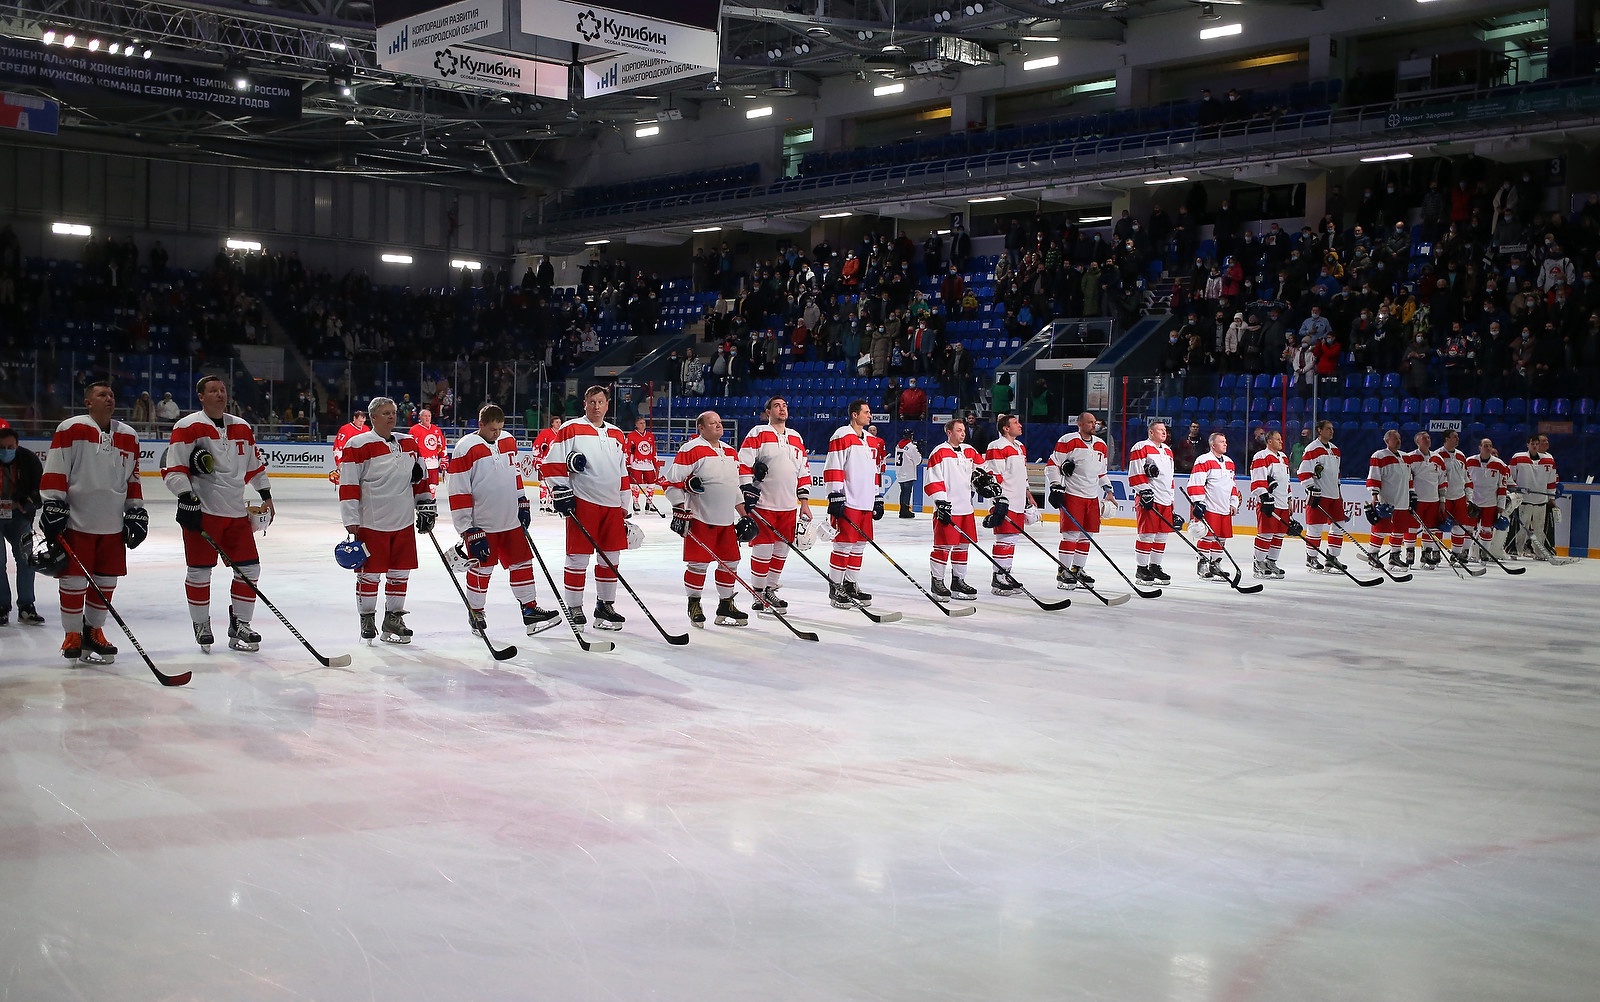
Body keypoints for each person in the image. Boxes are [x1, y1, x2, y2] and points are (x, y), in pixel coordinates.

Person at [164, 374, 273, 652]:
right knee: (200, 572)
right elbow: (174, 469)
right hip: (203, 514)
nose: (219, 394)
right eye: (213, 390)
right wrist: (186, 497)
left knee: (250, 568)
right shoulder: (187, 426)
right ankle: (201, 623)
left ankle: (241, 624)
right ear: (201, 396)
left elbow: (253, 466)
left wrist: (266, 495)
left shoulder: (242, 427)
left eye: (222, 390)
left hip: (236, 514)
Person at [37, 382, 145, 661]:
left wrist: (136, 510)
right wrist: (52, 502)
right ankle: (72, 634)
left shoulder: (129, 435)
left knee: (106, 582)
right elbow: (57, 466)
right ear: (88, 402)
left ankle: (94, 630)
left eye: (111, 394)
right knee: (73, 582)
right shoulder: (71, 428)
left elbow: (133, 477)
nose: (109, 398)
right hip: (76, 521)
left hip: (113, 525)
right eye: (102, 395)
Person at [449, 403, 559, 636]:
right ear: (480, 425)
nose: (496, 434)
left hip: (510, 520)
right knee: (482, 569)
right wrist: (467, 529)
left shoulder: (508, 440)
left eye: (500, 428)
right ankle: (476, 612)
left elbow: (515, 472)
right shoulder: (465, 447)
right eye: (491, 429)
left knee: (522, 563)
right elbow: (458, 489)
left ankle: (530, 610)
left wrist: (522, 500)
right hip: (483, 524)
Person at [337, 397, 432, 644]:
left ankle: (393, 619)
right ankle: (367, 618)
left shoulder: (408, 442)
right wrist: (350, 519)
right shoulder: (357, 444)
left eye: (393, 412)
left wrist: (426, 506)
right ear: (373, 418)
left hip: (403, 520)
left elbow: (421, 477)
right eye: (386, 413)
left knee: (400, 573)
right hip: (372, 521)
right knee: (369, 574)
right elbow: (348, 484)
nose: (392, 416)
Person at [541, 387, 630, 631]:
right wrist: (560, 491)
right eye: (592, 402)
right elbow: (551, 463)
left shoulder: (617, 434)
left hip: (612, 506)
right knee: (578, 558)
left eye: (601, 402)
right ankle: (574, 606)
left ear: (607, 404)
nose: (596, 406)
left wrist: (625, 504)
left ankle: (605, 606)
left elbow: (622, 470)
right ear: (585, 403)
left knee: (611, 558)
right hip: (583, 502)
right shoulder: (571, 428)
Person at [663, 411, 759, 627]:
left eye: (719, 422)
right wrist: (679, 508)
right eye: (712, 423)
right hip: (699, 519)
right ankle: (694, 603)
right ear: (701, 428)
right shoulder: (691, 449)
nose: (718, 425)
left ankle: (726, 604)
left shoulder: (730, 452)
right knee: (698, 565)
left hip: (726, 522)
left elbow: (733, 488)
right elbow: (670, 482)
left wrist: (744, 515)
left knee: (730, 563)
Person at [737, 396, 810, 614]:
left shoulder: (796, 437)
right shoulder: (758, 432)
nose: (782, 409)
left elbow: (803, 470)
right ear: (768, 411)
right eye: (777, 406)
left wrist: (804, 503)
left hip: (788, 505)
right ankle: (758, 593)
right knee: (763, 549)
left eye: (785, 405)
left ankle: (770, 588)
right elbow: (743, 463)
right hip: (764, 504)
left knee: (781, 550)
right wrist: (747, 488)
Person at [823, 400, 883, 608]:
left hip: (865, 502)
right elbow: (834, 465)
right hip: (848, 500)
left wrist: (877, 496)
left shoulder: (871, 441)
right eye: (866, 412)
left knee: (859, 546)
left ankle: (850, 585)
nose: (870, 415)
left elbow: (874, 471)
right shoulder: (842, 435)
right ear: (854, 415)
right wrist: (835, 494)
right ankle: (836, 587)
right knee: (843, 544)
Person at [1046, 412, 1114, 590]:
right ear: (1080, 424)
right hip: (1073, 495)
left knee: (1086, 536)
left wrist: (1108, 490)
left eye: (1095, 423)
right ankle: (1064, 571)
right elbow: (1052, 465)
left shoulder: (1101, 445)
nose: (1094, 425)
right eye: (1090, 422)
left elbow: (1101, 472)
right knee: (1071, 535)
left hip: (1092, 497)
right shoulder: (1068, 440)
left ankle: (1078, 569)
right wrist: (1055, 485)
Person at [924, 418, 987, 601]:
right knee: (942, 547)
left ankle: (958, 580)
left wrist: (984, 482)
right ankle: (937, 581)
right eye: (959, 430)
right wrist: (941, 502)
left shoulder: (969, 450)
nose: (963, 433)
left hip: (966, 508)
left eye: (964, 430)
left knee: (963, 546)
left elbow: (982, 470)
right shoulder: (939, 452)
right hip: (948, 508)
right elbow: (933, 480)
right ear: (949, 432)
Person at [981, 413, 1038, 595]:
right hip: (1005, 500)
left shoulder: (1020, 447)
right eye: (1015, 423)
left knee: (1012, 539)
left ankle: (1006, 574)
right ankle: (998, 577)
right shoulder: (996, 446)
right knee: (1004, 538)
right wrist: (998, 500)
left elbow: (1022, 474)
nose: (1020, 425)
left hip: (1019, 500)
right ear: (1006, 428)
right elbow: (994, 475)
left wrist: (1028, 494)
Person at [0, 425, 45, 627]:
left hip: (19, 516)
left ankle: (26, 607)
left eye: (11, 446)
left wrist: (27, 503)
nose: (6, 450)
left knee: (27, 560)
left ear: (17, 445)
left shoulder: (29, 460)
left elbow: (40, 489)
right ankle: (1, 607)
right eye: (2, 447)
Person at [1126, 419, 1178, 584]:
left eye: (1165, 430)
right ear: (1151, 432)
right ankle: (1141, 569)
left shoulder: (1168, 451)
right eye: (1160, 430)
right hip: (1149, 498)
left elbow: (1170, 477)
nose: (1164, 432)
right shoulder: (1141, 447)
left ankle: (1155, 566)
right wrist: (1144, 491)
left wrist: (1171, 498)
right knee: (1147, 535)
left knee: (1162, 536)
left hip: (1165, 499)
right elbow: (1135, 472)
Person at [1186, 432, 1242, 581]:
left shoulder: (1229, 462)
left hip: (1224, 507)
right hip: (1210, 506)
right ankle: (1203, 564)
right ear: (1213, 445)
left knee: (1221, 538)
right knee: (1208, 536)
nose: (1225, 444)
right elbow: (1195, 483)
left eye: (1225, 441)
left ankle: (1215, 564)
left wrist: (1233, 502)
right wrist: (1199, 502)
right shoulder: (1203, 460)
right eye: (1222, 442)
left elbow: (1232, 485)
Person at [1296, 419, 1348, 574]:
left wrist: (1339, 493)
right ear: (1319, 430)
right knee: (1315, 528)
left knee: (1339, 526)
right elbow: (1303, 472)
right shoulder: (1312, 449)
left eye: (1332, 429)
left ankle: (1332, 558)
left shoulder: (1335, 450)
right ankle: (1311, 558)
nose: (1331, 431)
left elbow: (1336, 474)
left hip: (1334, 495)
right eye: (1328, 429)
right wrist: (1311, 488)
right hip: (1319, 495)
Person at [1365, 429, 1414, 569]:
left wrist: (1412, 495)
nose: (1398, 441)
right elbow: (1374, 477)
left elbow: (1409, 478)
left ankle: (1394, 556)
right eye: (1395, 438)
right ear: (1387, 441)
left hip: (1402, 500)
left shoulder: (1406, 457)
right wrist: (1374, 496)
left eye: (1399, 438)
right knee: (1380, 528)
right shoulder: (1379, 456)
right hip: (1386, 500)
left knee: (1399, 529)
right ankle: (1373, 554)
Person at [1249, 429, 1293, 579]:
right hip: (1269, 502)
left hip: (1283, 503)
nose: (1281, 442)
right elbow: (1258, 479)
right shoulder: (1261, 457)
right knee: (1266, 533)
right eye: (1278, 439)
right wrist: (1264, 496)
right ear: (1269, 441)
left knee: (1279, 534)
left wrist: (1289, 498)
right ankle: (1258, 562)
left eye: (1281, 439)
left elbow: (1286, 481)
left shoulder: (1284, 458)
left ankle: (1271, 561)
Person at [1507, 433, 1558, 558]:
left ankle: (1540, 552)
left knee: (1539, 529)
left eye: (1536, 444)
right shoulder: (1518, 458)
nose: (1535, 446)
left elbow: (1551, 481)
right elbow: (1510, 477)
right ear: (1527, 445)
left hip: (1541, 501)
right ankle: (1515, 550)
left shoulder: (1549, 460)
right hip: (1523, 501)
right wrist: (1514, 492)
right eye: (1532, 444)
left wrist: (1551, 498)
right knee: (1520, 529)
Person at [1403, 430, 1446, 569]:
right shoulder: (1410, 457)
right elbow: (1406, 479)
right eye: (1424, 438)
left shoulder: (1437, 458)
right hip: (1417, 500)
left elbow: (1442, 480)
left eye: (1428, 437)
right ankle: (1409, 552)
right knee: (1411, 528)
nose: (1427, 440)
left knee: (1430, 529)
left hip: (1433, 500)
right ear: (1417, 442)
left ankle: (1426, 554)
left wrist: (1442, 500)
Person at [1465, 438, 1512, 561]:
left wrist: (1500, 504)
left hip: (1490, 502)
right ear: (1480, 447)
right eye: (1485, 445)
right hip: (1473, 501)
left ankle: (1484, 553)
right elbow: (1464, 481)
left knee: (1487, 529)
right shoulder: (1469, 461)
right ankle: (1465, 552)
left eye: (1490, 446)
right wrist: (1465, 499)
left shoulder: (1499, 464)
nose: (1488, 448)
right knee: (1468, 528)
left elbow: (1502, 486)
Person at [1433, 429, 1474, 567]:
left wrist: (1469, 498)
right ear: (1446, 439)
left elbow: (1466, 477)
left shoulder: (1461, 455)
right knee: (1439, 527)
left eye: (1457, 437)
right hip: (1444, 498)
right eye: (1454, 437)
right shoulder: (1437, 455)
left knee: (1460, 527)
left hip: (1460, 497)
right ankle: (1435, 552)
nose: (1457, 439)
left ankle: (1456, 555)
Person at [624, 417, 662, 513]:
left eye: (644, 423)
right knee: (635, 484)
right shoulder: (631, 436)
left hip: (648, 464)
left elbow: (653, 450)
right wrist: (627, 464)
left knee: (651, 483)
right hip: (635, 464)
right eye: (640, 423)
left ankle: (649, 502)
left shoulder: (650, 436)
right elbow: (626, 450)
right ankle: (635, 502)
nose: (643, 425)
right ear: (636, 425)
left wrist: (655, 463)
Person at [408, 408, 447, 495]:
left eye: (429, 416)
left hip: (433, 463)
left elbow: (441, 446)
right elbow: (411, 447)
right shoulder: (414, 430)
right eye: (425, 416)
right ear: (420, 417)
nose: (427, 418)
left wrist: (444, 459)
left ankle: (431, 502)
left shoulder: (436, 430)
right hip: (420, 464)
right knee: (419, 487)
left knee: (432, 487)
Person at [530, 415, 562, 511]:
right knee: (544, 483)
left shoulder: (562, 434)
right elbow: (537, 446)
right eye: (557, 422)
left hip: (557, 463)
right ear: (552, 423)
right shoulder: (545, 433)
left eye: (560, 422)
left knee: (554, 484)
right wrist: (537, 459)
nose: (559, 424)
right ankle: (543, 503)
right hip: (545, 462)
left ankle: (551, 504)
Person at [893, 432, 922, 518]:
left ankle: (902, 510)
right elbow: (918, 461)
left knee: (903, 492)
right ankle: (905, 511)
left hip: (900, 471)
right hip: (908, 472)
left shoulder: (898, 445)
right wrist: (919, 451)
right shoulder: (911, 447)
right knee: (907, 492)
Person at [331, 409, 368, 474]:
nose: (362, 423)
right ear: (354, 418)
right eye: (360, 421)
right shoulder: (345, 429)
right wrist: (339, 462)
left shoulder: (366, 429)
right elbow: (338, 447)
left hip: (364, 463)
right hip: (349, 461)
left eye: (363, 421)